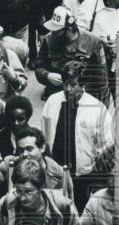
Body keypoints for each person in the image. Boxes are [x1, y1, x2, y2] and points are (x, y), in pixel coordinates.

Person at [43, 62, 114, 211]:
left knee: (80, 211)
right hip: (55, 173)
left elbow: (106, 146)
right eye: (65, 84)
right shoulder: (52, 102)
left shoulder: (97, 108)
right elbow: (45, 133)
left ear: (83, 85)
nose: (68, 89)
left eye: (73, 85)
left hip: (84, 176)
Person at [0, 125, 73, 215]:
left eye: (29, 149)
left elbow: (68, 207)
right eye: (20, 150)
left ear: (42, 148)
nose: (24, 154)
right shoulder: (8, 165)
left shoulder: (61, 173)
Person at [35, 3, 109, 103]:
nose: (53, 34)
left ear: (69, 30)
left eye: (56, 31)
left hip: (85, 97)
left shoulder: (93, 42)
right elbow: (38, 68)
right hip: (57, 95)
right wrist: (47, 76)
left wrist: (102, 108)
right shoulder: (48, 40)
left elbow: (102, 81)